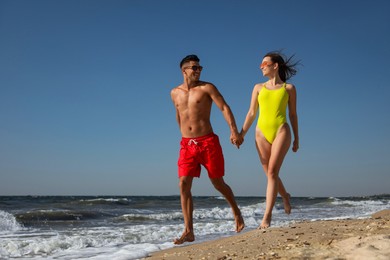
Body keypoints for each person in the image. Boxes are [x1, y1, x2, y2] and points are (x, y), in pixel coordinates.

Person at [170, 54, 245, 244]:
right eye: (194, 67)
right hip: (187, 145)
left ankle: (236, 212)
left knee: (218, 183)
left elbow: (224, 108)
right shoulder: (174, 93)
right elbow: (179, 115)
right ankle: (189, 230)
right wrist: (183, 136)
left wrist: (234, 131)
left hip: (208, 142)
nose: (198, 70)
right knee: (183, 184)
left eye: (199, 68)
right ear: (184, 70)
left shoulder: (207, 88)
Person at [239, 51, 300, 229]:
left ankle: (267, 216)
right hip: (260, 133)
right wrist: (242, 134)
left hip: (281, 130)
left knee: (272, 172)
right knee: (270, 174)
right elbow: (251, 113)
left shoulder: (289, 89)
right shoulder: (258, 87)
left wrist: (297, 138)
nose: (261, 66)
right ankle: (285, 196)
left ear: (275, 66)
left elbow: (293, 114)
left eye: (264, 63)